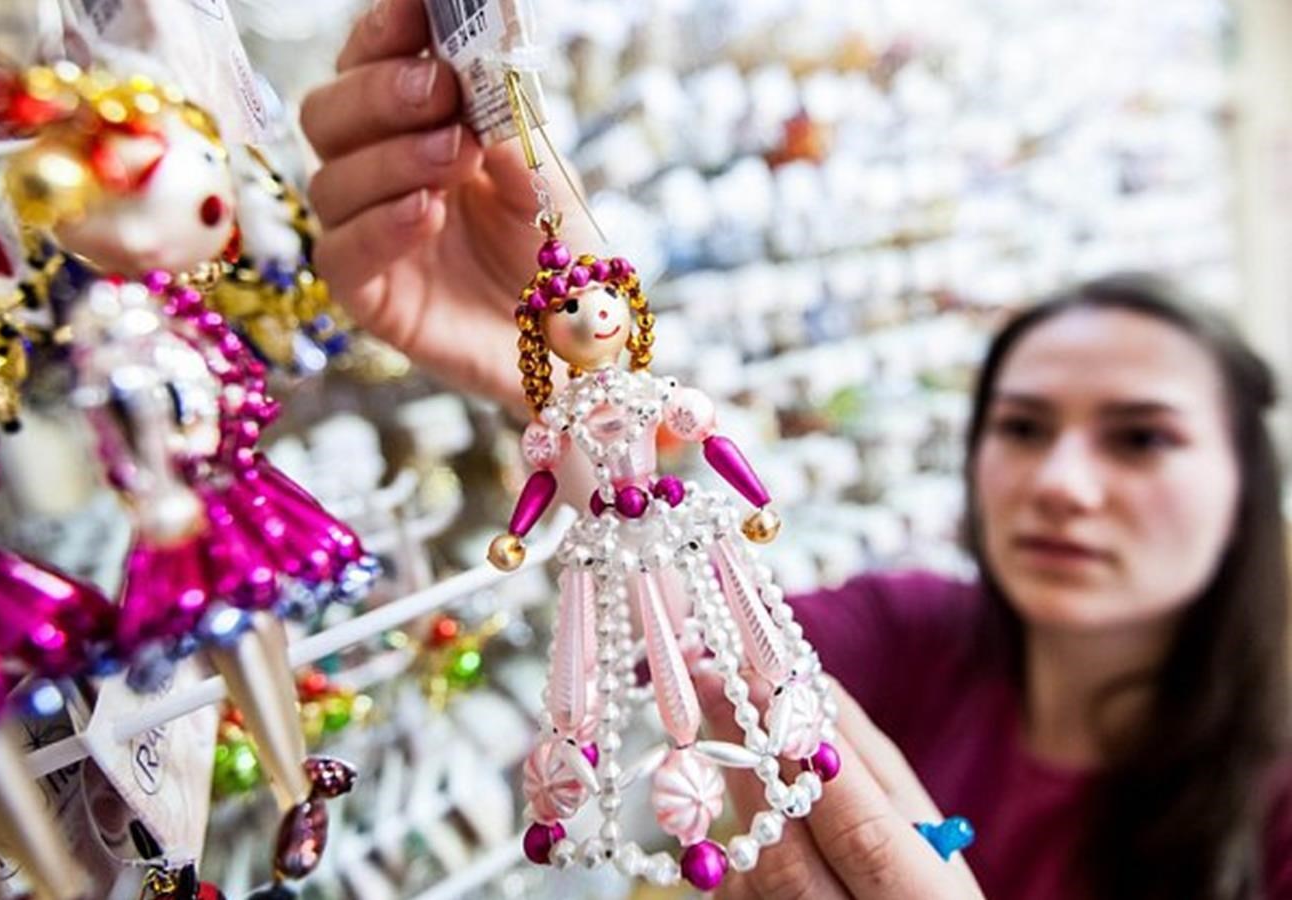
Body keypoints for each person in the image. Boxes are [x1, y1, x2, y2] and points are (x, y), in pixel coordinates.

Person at [302, 3, 1292, 897]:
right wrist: (571, 369)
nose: (1062, 485)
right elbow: (678, 640)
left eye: (1142, 438)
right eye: (1022, 427)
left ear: (1251, 479)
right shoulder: (899, 635)